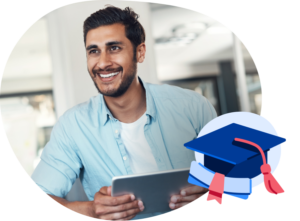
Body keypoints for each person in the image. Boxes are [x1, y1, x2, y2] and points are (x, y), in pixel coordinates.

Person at [31, 5, 217, 221]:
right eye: (94, 51)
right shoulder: (73, 126)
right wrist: (90, 210)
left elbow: (236, 178)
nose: (102, 62)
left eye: (114, 48)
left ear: (140, 52)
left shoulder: (193, 107)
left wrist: (211, 193)